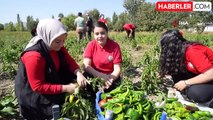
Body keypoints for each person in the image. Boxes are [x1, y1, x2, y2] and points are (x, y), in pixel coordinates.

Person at [15, 19, 88, 120]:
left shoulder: (57, 46)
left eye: (64, 40)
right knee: (55, 108)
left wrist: (78, 73)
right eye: (58, 41)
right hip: (33, 93)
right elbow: (38, 86)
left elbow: (69, 61)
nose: (62, 44)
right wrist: (66, 88)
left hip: (50, 79)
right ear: (46, 37)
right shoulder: (34, 56)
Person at [159, 29, 213, 108]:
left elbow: (210, 74)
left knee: (195, 92)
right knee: (175, 70)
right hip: (205, 76)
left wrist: (186, 83)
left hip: (210, 76)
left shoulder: (193, 51)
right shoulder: (181, 51)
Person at [83, 21, 122, 92]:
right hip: (94, 75)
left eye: (102, 33)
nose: (100, 36)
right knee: (85, 78)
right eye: (97, 34)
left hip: (110, 76)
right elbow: (86, 66)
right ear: (93, 34)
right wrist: (101, 76)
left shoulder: (114, 46)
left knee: (114, 91)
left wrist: (110, 79)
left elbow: (117, 69)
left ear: (107, 33)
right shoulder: (91, 45)